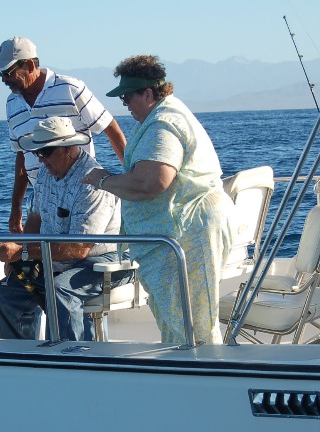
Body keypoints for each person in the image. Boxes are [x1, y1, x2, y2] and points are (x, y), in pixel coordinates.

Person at [82, 55, 235, 345]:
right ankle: (185, 376)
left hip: (188, 233)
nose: (124, 103)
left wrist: (103, 180)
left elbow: (152, 182)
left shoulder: (162, 123)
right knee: (180, 320)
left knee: (194, 324)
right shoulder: (164, 115)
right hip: (182, 230)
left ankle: (205, 377)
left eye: (128, 96)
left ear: (148, 93)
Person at [0, 116, 130, 342]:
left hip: (102, 263)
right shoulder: (46, 173)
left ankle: (72, 357)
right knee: (5, 291)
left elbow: (79, 249)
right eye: (38, 153)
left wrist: (22, 252)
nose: (41, 160)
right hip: (56, 259)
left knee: (60, 289)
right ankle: (22, 357)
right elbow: (35, 218)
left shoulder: (93, 182)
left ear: (70, 149)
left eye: (46, 152)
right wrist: (17, 258)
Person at [0, 36, 127, 233]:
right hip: (41, 200)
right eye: (0, 74)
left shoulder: (70, 88)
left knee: (72, 252)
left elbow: (110, 129)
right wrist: (16, 209)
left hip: (79, 196)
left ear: (28, 64)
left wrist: (132, 181)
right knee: (27, 258)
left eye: (8, 72)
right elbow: (22, 154)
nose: (4, 79)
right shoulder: (12, 104)